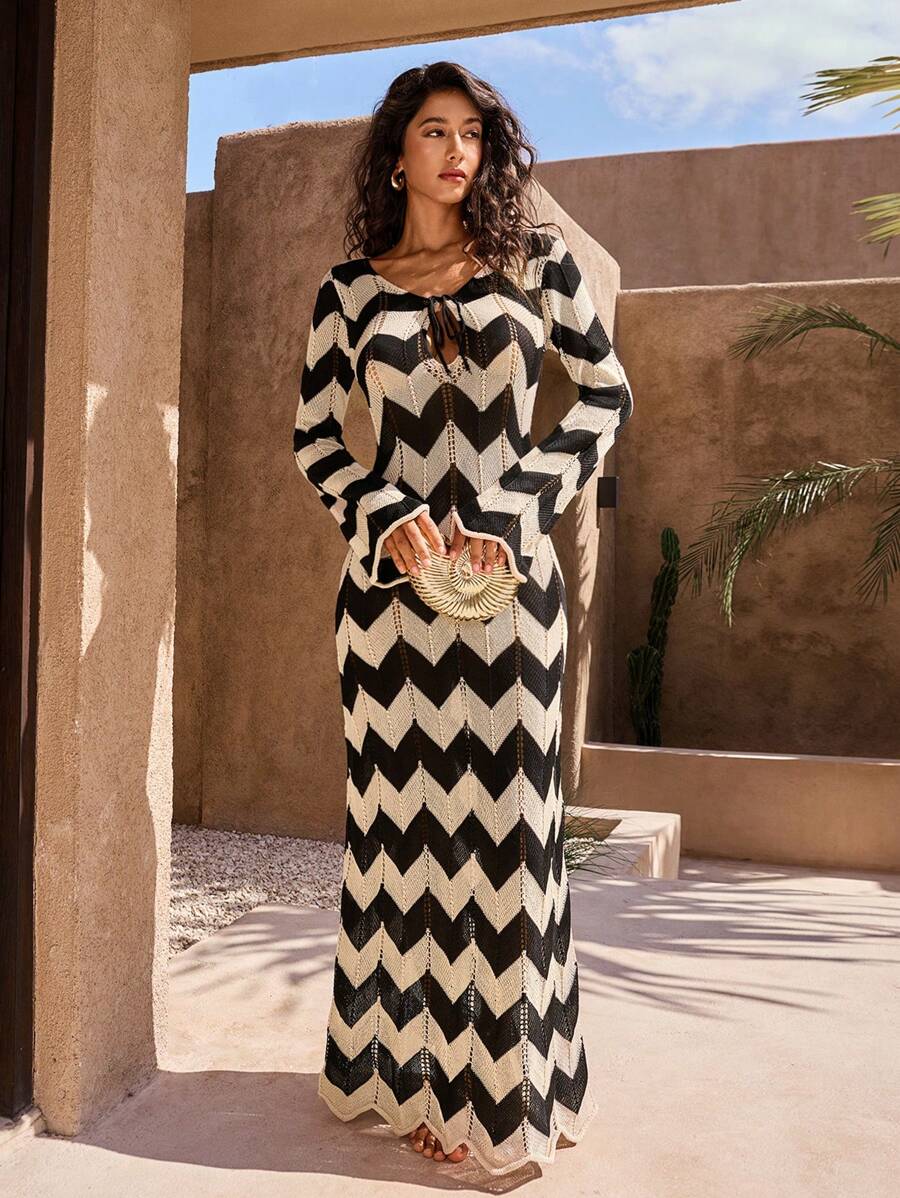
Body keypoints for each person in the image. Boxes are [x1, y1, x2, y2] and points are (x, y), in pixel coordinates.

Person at [293, 60, 633, 1175]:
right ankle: (413, 1084)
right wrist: (384, 512)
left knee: (511, 835)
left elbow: (606, 395)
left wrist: (513, 505)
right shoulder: (349, 292)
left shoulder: (537, 263)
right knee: (402, 841)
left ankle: (514, 1090)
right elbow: (316, 439)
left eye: (473, 133)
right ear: (398, 154)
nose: (456, 150)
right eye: (434, 131)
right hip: (389, 614)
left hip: (510, 598)